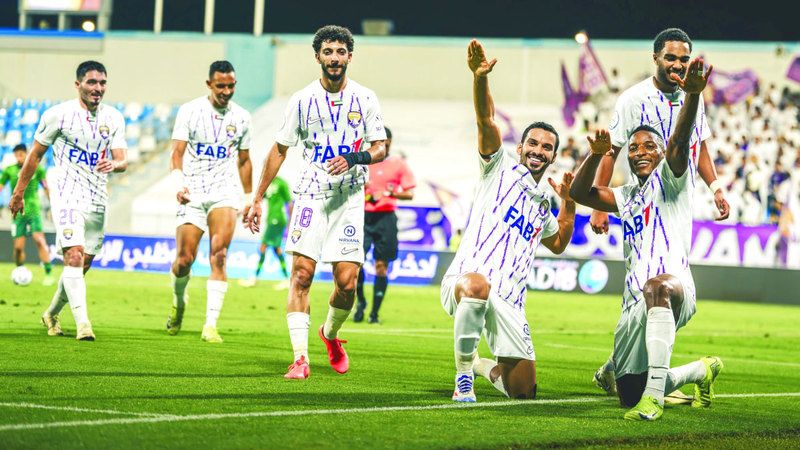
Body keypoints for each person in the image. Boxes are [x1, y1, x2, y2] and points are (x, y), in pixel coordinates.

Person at [570, 57, 723, 421]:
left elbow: (681, 143)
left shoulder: (672, 181)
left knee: (657, 286)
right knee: (627, 391)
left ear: (662, 153)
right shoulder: (626, 196)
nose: (640, 152)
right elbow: (580, 192)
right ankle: (700, 371)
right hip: (632, 303)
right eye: (634, 147)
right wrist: (595, 156)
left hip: (673, 288)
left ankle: (653, 400)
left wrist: (691, 97)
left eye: (648, 146)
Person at [243, 25, 386, 379]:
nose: (334, 58)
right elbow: (279, 149)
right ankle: (300, 358)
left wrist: (355, 159)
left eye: (341, 52)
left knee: (347, 282)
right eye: (328, 52)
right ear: (318, 56)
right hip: (310, 196)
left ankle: (330, 334)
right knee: (302, 274)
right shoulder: (301, 100)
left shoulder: (366, 98)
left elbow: (380, 147)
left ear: (349, 56)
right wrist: (257, 196)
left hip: (350, 197)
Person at [443, 40, 575, 403]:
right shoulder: (497, 168)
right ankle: (464, 375)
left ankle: (483, 365)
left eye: (546, 147)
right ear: (520, 148)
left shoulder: (544, 205)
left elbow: (560, 242)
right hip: (467, 282)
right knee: (477, 286)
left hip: (512, 302)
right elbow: (485, 119)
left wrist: (569, 203)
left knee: (524, 394)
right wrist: (480, 78)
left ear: (552, 155)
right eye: (532, 143)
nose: (538, 150)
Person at [10, 60, 128, 340]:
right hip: (66, 194)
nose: (98, 88)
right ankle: (84, 324)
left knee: (83, 263)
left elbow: (122, 159)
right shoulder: (58, 115)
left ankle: (51, 313)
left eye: (102, 83)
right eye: (91, 82)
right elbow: (35, 156)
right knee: (72, 256)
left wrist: (115, 164)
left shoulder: (114, 118)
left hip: (98, 198)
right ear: (78, 85)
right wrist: (19, 191)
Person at [166, 60, 253, 343]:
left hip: (225, 192)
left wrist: (250, 198)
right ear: (209, 85)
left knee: (219, 254)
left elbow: (244, 160)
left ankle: (210, 325)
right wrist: (179, 184)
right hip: (193, 192)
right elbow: (177, 153)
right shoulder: (190, 111)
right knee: (184, 260)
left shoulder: (242, 117)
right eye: (221, 86)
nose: (227, 91)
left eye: (231, 85)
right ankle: (179, 304)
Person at [354, 127, 416, 324]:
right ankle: (361, 303)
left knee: (381, 266)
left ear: (390, 142)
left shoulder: (399, 164)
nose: (382, 145)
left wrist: (389, 194)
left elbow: (410, 193)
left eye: (385, 142)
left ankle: (374, 314)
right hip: (362, 217)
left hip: (386, 218)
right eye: (378, 141)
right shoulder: (362, 161)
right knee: (356, 265)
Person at [1, 144, 54, 285]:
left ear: (26, 154)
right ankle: (20, 271)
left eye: (21, 154)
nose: (19, 157)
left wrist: (52, 208)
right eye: (16, 155)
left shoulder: (37, 168)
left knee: (39, 240)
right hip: (17, 213)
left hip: (33, 210)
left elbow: (46, 187)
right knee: (18, 248)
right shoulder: (9, 170)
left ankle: (48, 272)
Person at [239, 176, 292, 288]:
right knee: (276, 249)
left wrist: (290, 223)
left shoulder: (281, 183)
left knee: (263, 247)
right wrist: (244, 211)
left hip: (277, 219)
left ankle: (254, 278)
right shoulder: (268, 183)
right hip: (271, 219)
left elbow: (290, 202)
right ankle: (287, 279)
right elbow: (259, 199)